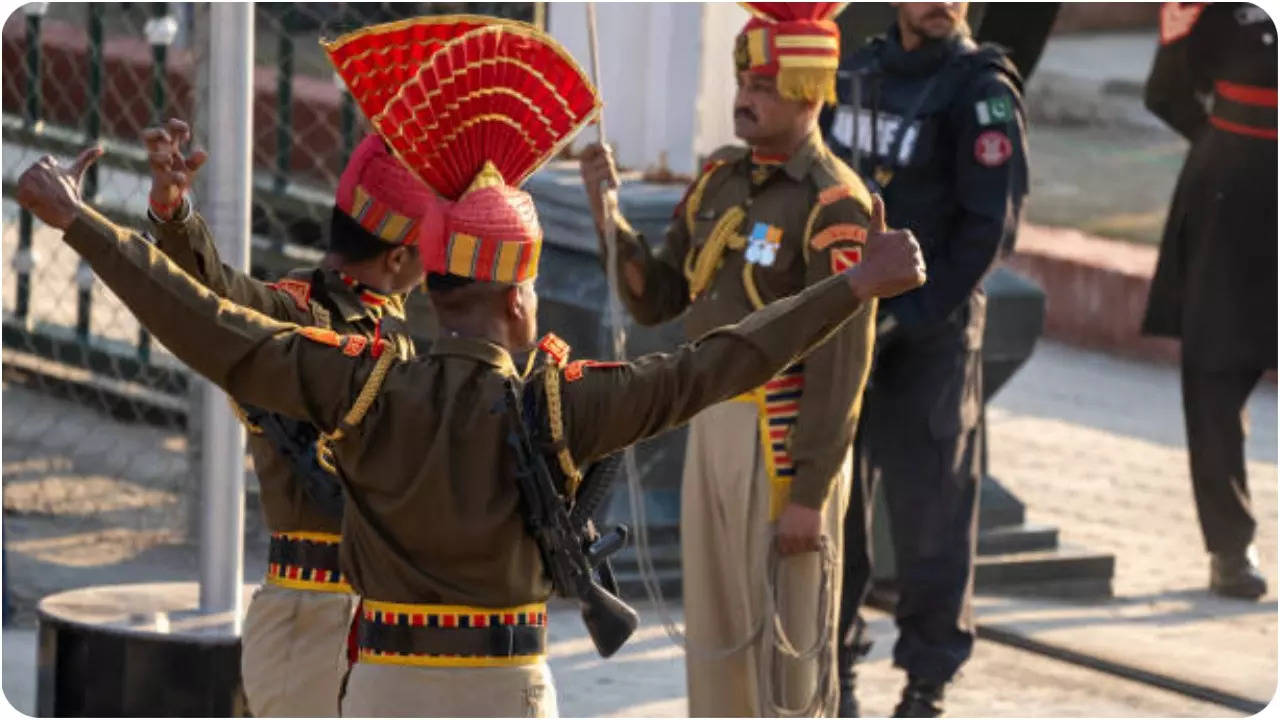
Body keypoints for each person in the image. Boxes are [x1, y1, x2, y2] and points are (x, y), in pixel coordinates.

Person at [16, 18, 927, 718]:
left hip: (374, 687)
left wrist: (84, 224)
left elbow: (208, 323)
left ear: (434, 284)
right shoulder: (565, 404)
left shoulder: (361, 382)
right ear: (521, 299)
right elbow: (719, 362)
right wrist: (853, 289)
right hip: (503, 693)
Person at [580, 3, 878, 715]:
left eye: (766, 87)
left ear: (810, 91)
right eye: (743, 81)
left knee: (784, 638)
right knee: (715, 632)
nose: (744, 99)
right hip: (709, 419)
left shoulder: (834, 202)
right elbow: (657, 299)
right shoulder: (718, 178)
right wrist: (607, 217)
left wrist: (810, 488)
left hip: (778, 442)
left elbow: (842, 364)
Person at [139, 117, 432, 716]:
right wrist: (175, 219)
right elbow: (213, 298)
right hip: (312, 614)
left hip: (380, 611)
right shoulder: (298, 314)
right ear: (400, 257)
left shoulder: (397, 331)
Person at [819, 2, 1028, 715]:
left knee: (931, 517)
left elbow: (987, 230)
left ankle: (926, 686)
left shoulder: (983, 89)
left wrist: (907, 314)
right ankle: (836, 666)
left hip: (930, 336)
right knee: (834, 505)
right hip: (846, 325)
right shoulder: (853, 73)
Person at [1142, 1, 1276, 600]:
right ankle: (1229, 544)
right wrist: (1227, 147)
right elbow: (1165, 92)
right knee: (1216, 374)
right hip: (1230, 204)